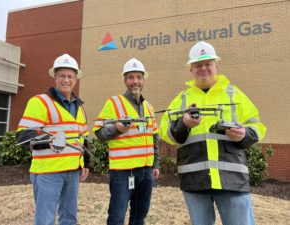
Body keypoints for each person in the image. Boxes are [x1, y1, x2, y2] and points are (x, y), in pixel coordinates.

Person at [159, 41, 266, 225]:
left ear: (216, 65)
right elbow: (165, 133)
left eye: (208, 64)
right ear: (191, 70)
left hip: (231, 179)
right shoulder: (182, 99)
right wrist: (183, 124)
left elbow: (257, 127)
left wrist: (243, 134)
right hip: (195, 180)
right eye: (198, 65)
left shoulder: (234, 94)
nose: (203, 68)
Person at [16, 53, 90, 225]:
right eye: (62, 76)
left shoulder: (80, 108)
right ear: (55, 78)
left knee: (69, 219)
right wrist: (50, 140)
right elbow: (23, 137)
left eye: (70, 76)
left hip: (72, 171)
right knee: (45, 220)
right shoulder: (40, 102)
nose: (66, 80)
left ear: (75, 79)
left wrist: (85, 163)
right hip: (48, 173)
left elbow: (83, 139)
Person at [93, 58, 160, 225]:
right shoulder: (114, 103)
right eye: (130, 77)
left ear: (143, 80)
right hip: (123, 172)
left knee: (140, 215)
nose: (135, 81)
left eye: (138, 77)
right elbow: (99, 132)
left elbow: (154, 137)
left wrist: (156, 164)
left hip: (145, 171)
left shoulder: (149, 107)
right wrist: (117, 128)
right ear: (125, 80)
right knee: (117, 216)